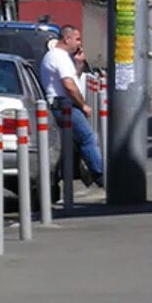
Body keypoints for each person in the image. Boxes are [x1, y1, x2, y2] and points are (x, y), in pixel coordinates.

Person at [41, 25, 103, 186]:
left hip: (61, 104)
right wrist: (83, 105)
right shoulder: (58, 56)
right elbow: (69, 85)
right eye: (77, 39)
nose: (79, 43)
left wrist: (78, 63)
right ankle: (101, 176)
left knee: (72, 144)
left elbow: (72, 78)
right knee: (87, 137)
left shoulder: (59, 57)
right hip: (63, 105)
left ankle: (83, 173)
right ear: (67, 39)